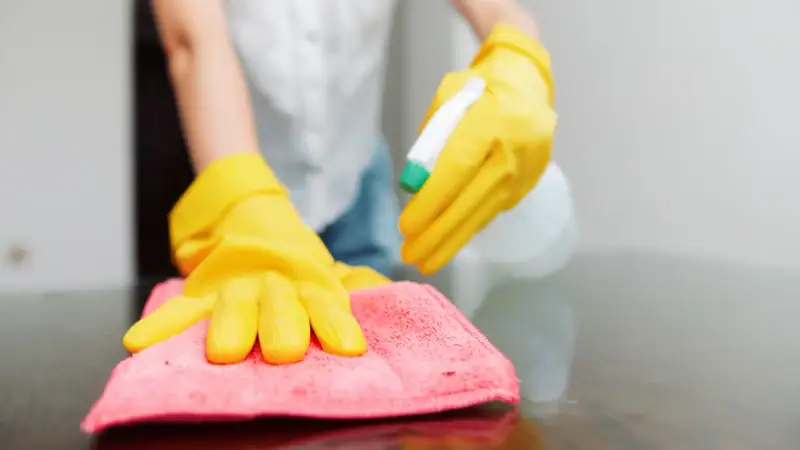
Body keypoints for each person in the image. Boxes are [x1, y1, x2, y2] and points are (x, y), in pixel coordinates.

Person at [125, 0, 557, 365]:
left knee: (376, 376)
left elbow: (498, 11)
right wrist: (243, 197)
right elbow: (193, 41)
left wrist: (519, 56)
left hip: (355, 184)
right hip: (231, 185)